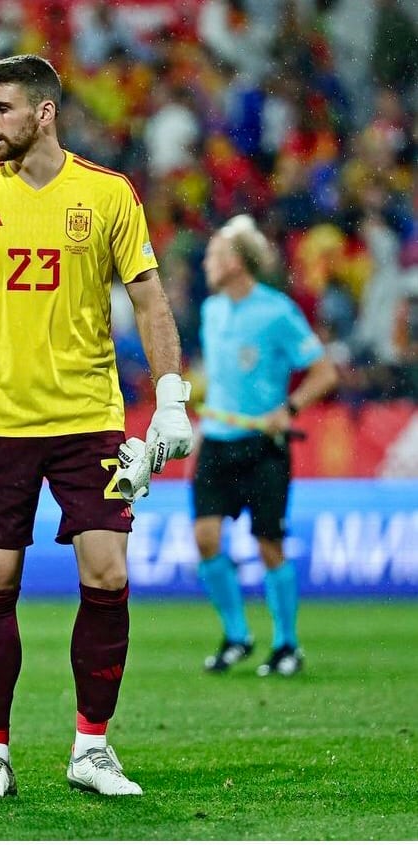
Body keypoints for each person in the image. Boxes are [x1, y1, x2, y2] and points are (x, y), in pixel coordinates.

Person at [0, 54, 194, 798]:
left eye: (0, 107)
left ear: (43, 112)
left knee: (108, 573)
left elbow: (149, 297)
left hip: (86, 419)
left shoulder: (105, 194)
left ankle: (89, 748)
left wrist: (169, 395)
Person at [193, 214, 338, 677]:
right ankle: (237, 635)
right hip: (216, 441)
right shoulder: (211, 311)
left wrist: (288, 409)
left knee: (268, 543)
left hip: (263, 444)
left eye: (215, 254)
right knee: (205, 538)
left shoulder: (277, 311)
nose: (207, 264)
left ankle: (287, 645)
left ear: (237, 260)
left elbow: (325, 372)